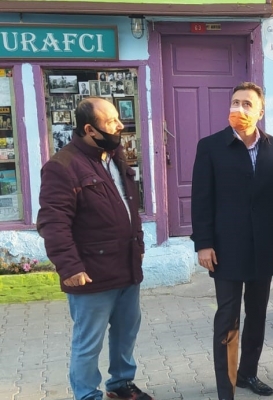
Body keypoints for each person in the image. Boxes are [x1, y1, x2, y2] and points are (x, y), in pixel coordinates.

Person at [36, 97, 151, 400]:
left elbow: (130, 206)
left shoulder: (114, 156)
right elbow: (53, 222)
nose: (120, 126)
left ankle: (121, 383)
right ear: (90, 129)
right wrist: (69, 266)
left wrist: (138, 244)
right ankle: (87, 394)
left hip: (126, 266)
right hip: (91, 272)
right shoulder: (62, 166)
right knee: (89, 341)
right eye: (111, 122)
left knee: (126, 331)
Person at [191, 82, 273, 400]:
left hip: (264, 245)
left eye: (247, 104)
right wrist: (203, 243)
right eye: (235, 102)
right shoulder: (210, 147)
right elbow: (201, 199)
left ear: (260, 111)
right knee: (228, 316)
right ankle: (226, 387)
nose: (239, 108)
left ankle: (248, 372)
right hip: (226, 247)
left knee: (258, 313)